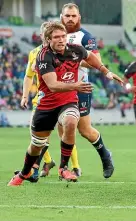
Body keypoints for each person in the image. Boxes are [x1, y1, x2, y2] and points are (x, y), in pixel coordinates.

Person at [7, 21, 122, 186]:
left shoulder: (75, 49)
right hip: (46, 104)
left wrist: (107, 72)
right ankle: (24, 173)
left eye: (63, 36)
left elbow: (90, 57)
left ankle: (63, 168)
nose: (61, 40)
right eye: (56, 37)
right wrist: (76, 85)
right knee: (36, 145)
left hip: (68, 101)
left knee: (70, 121)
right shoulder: (43, 56)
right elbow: (53, 85)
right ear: (48, 40)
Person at [57, 3, 114, 178]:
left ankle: (105, 155)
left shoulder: (85, 37)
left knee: (85, 131)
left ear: (79, 17)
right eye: (67, 16)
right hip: (58, 89)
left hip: (80, 88)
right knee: (61, 126)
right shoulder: (56, 35)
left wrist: (73, 58)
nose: (70, 19)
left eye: (74, 16)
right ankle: (63, 168)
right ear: (62, 17)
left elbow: (96, 61)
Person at [20, 22, 56, 181]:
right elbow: (28, 76)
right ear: (42, 35)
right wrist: (24, 96)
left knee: (62, 134)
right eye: (46, 34)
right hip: (40, 98)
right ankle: (46, 163)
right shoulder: (34, 53)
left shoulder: (60, 51)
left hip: (59, 98)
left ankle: (67, 167)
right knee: (37, 135)